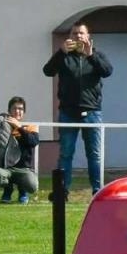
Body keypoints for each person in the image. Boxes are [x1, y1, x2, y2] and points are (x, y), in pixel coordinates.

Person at [43, 22, 112, 195]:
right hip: (68, 112)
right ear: (70, 37)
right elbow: (48, 71)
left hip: (92, 112)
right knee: (66, 153)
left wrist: (91, 56)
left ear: (88, 37)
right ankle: (62, 190)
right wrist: (61, 52)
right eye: (74, 33)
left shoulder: (96, 55)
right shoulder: (64, 56)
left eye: (81, 33)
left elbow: (107, 71)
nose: (78, 36)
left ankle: (97, 190)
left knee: (94, 154)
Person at [0, 96, 40, 204]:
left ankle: (23, 192)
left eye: (21, 109)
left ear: (24, 112)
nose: (18, 111)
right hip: (7, 169)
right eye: (14, 108)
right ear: (9, 111)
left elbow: (33, 142)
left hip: (24, 169)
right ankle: (7, 190)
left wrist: (19, 128)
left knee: (33, 186)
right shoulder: (2, 127)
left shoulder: (30, 126)